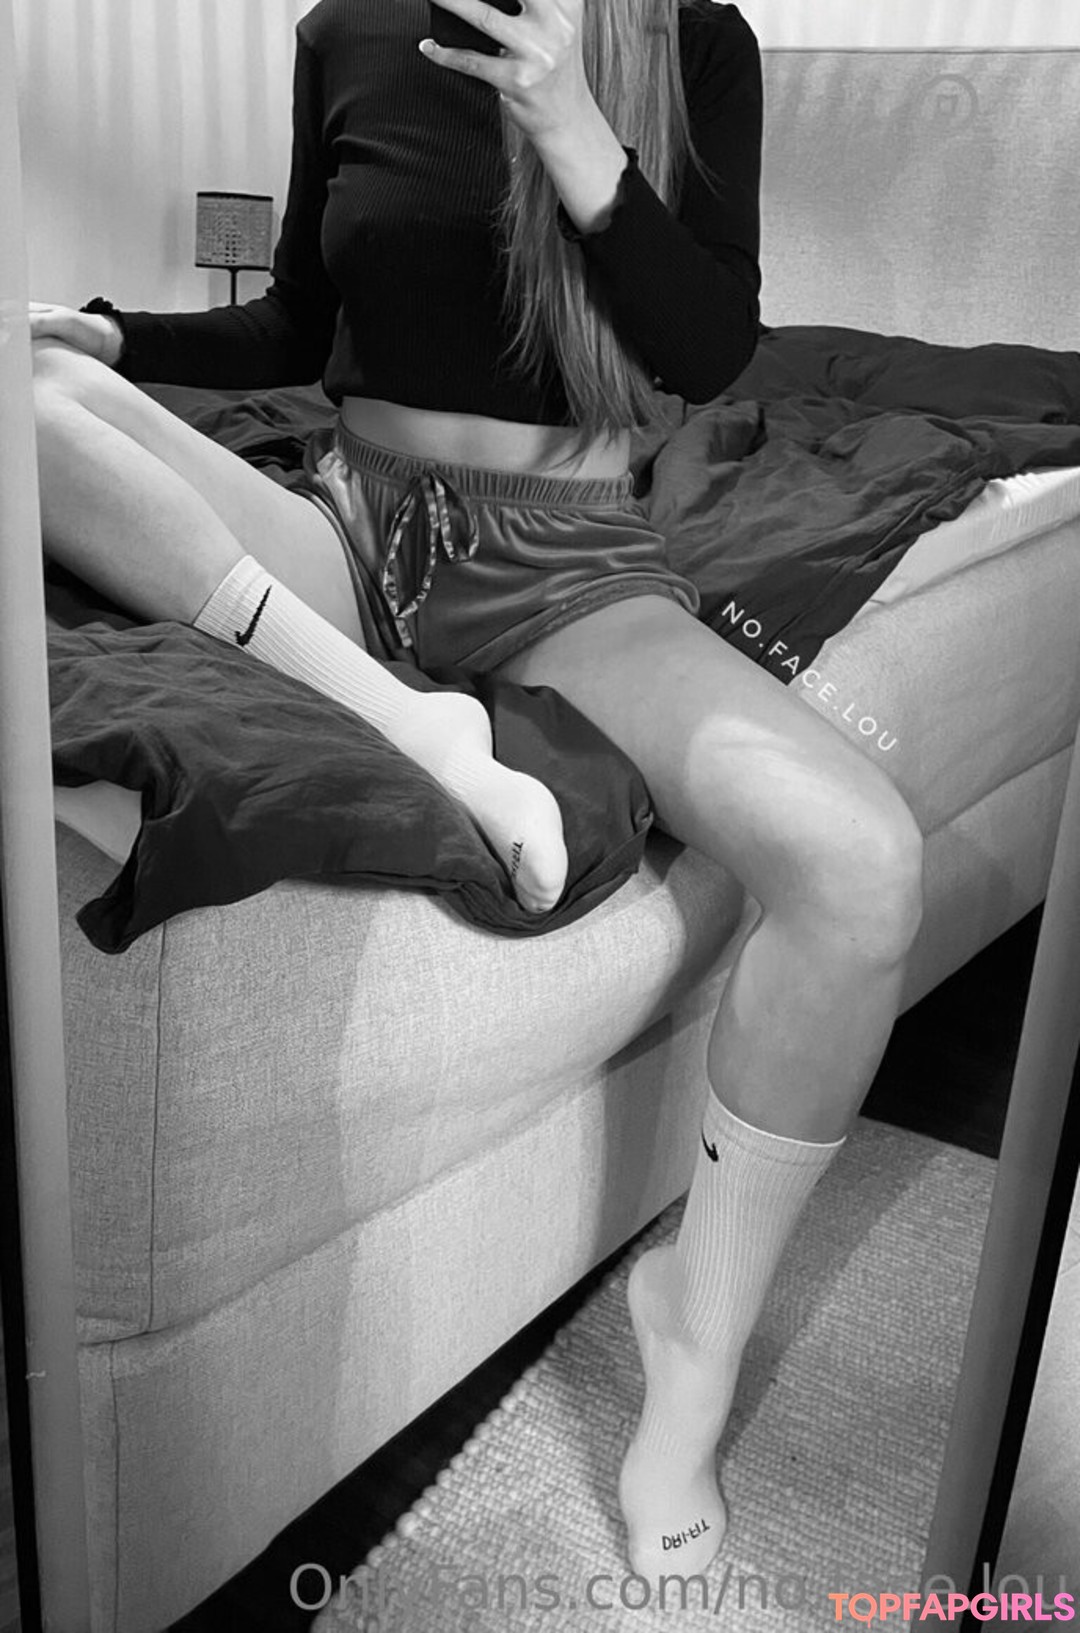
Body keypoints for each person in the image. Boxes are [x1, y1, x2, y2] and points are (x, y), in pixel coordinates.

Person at [29, 0, 924, 1580]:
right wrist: (118, 339)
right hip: (345, 521)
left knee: (862, 866)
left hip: (556, 562)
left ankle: (692, 1347)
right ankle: (411, 719)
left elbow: (713, 352)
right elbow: (296, 330)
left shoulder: (690, 40)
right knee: (25, 396)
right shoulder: (347, 29)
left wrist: (580, 139)